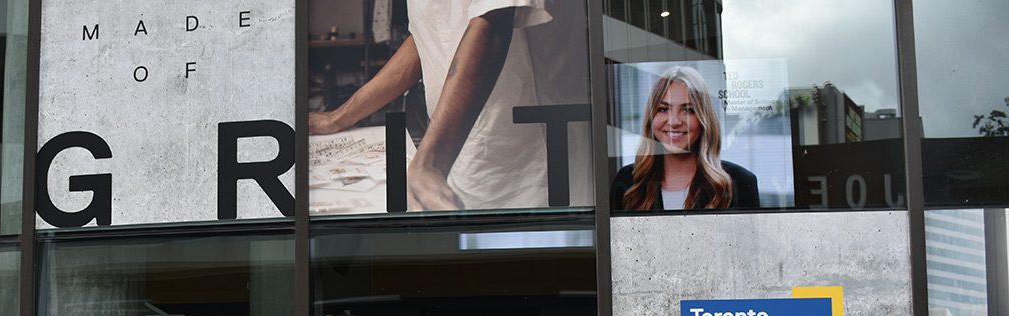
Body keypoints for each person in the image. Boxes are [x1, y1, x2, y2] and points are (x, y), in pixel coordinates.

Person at [309, 2, 591, 211]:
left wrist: (429, 163)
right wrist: (341, 116)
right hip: (465, 154)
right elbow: (427, 36)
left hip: (535, 162)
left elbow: (492, 23)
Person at [611, 65, 759, 211]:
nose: (674, 121)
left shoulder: (739, 182)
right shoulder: (628, 182)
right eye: (663, 109)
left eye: (688, 110)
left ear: (703, 119)